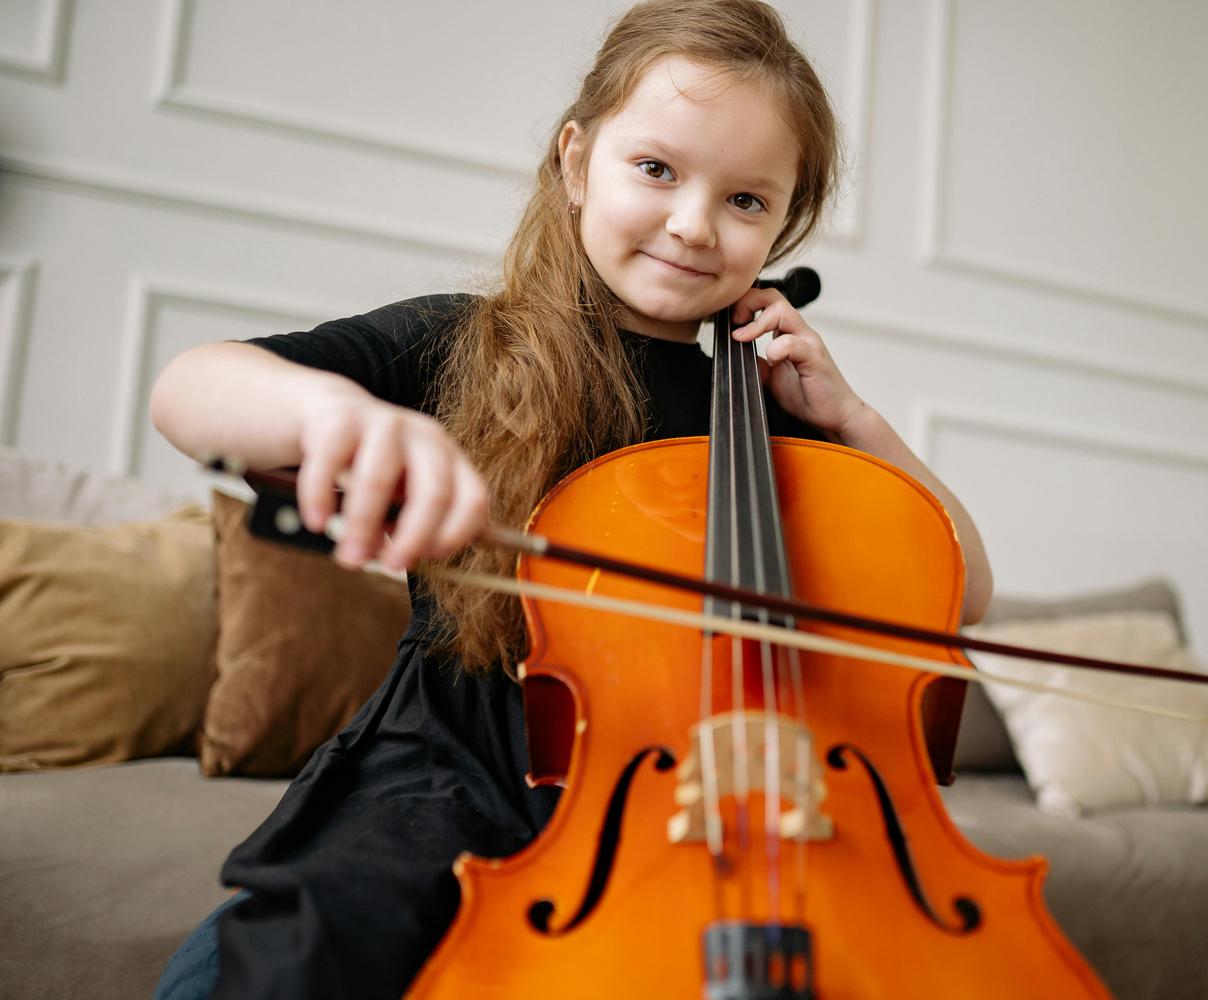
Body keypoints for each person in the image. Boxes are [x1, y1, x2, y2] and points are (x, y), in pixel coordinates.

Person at [149, 1, 993, 997]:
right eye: (657, 170)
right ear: (576, 156)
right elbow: (192, 386)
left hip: (706, 820)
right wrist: (339, 415)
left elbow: (961, 586)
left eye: (748, 201)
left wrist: (852, 419)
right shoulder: (468, 345)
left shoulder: (779, 425)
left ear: (785, 221)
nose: (694, 222)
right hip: (444, 782)